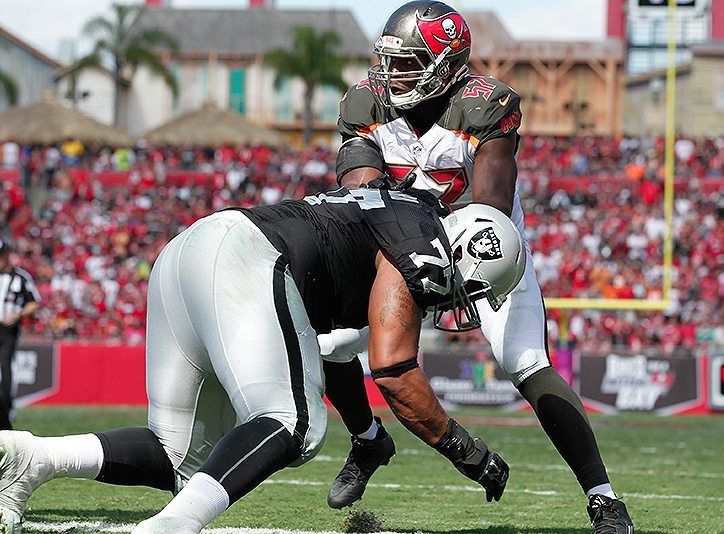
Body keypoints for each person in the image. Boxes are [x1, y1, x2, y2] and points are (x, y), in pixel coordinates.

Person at [0, 187, 524, 534]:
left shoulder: (396, 217)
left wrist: (367, 438)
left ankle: (33, 459)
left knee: (183, 456)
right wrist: (470, 454)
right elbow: (392, 370)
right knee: (292, 423)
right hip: (247, 259)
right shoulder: (424, 241)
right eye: (468, 288)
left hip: (189, 252)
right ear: (463, 251)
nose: (458, 303)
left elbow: (334, 350)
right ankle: (170, 528)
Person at [318, 2, 635, 533]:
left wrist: (465, 270)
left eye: (406, 63)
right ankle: (368, 440)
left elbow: (489, 202)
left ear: (444, 63)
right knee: (327, 344)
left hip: (485, 242)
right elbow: (363, 189)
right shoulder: (364, 103)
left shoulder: (487, 105)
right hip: (404, 243)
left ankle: (603, 498)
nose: (389, 75)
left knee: (527, 362)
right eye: (388, 62)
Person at [0, 239, 40, 430]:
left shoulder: (21, 277)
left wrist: (17, 314)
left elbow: (33, 302)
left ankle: (7, 407)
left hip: (8, 329)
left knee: (5, 365)